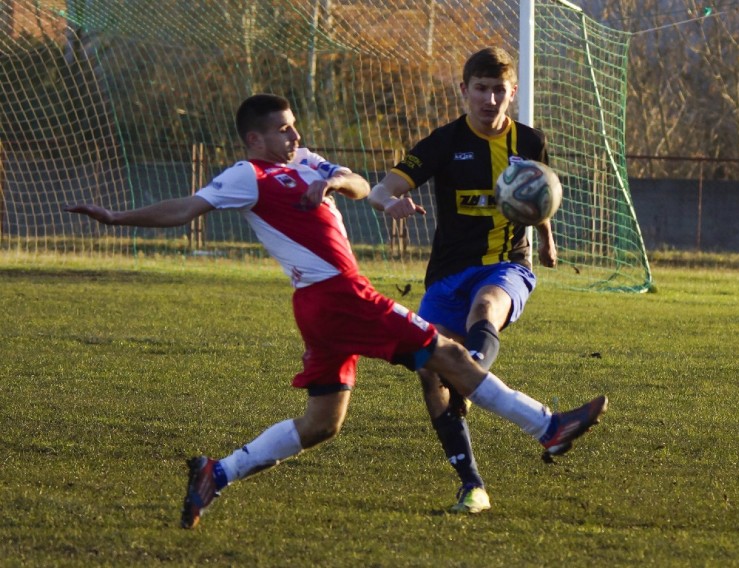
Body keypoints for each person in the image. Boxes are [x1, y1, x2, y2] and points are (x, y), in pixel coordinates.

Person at [64, 93, 607, 530]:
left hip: (323, 304)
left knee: (323, 423)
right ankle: (547, 427)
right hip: (338, 294)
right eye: (283, 130)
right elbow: (184, 208)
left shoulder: (302, 161)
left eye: (294, 127)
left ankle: (217, 472)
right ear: (255, 139)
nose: (295, 136)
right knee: (444, 353)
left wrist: (339, 183)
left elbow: (358, 183)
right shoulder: (246, 176)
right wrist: (115, 218)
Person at [369, 47, 558, 514]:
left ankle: (470, 373)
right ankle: (471, 484)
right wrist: (387, 202)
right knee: (430, 370)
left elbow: (540, 196)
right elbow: (384, 186)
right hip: (449, 273)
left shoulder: (530, 142)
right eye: (481, 89)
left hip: (507, 263)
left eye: (499, 90)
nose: (490, 99)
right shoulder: (443, 142)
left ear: (512, 93)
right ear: (464, 91)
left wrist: (547, 241)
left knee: (487, 306)